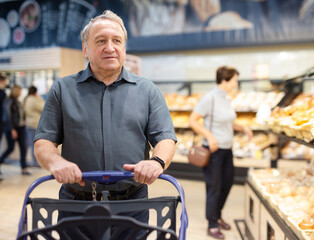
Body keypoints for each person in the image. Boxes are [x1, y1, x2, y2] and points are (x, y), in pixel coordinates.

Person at [34, 9, 176, 230]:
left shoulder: (148, 91)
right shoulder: (62, 90)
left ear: (124, 47)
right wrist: (56, 162)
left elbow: (165, 138)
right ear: (85, 49)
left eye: (116, 41)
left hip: (132, 205)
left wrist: (156, 162)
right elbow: (44, 142)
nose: (110, 48)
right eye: (101, 41)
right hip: (75, 204)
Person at [189, 66, 253, 239]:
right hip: (213, 151)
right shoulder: (209, 98)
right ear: (225, 81)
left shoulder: (226, 98)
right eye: (234, 80)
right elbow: (193, 121)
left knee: (227, 184)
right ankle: (211, 224)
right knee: (214, 188)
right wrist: (209, 136)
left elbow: (227, 122)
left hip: (227, 150)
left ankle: (217, 217)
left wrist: (243, 128)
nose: (236, 83)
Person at [0, 85, 29, 175]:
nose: (21, 92)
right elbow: (7, 116)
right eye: (20, 91)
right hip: (13, 129)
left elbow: (20, 113)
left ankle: (23, 168)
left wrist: (23, 121)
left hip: (20, 127)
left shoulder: (17, 102)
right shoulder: (9, 101)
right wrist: (12, 129)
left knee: (23, 148)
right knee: (10, 148)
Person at [23, 86, 44, 168]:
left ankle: (34, 162)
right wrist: (39, 98)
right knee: (36, 146)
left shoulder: (26, 99)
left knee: (31, 146)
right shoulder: (34, 100)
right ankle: (36, 163)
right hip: (35, 125)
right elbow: (43, 107)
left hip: (28, 124)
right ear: (35, 92)